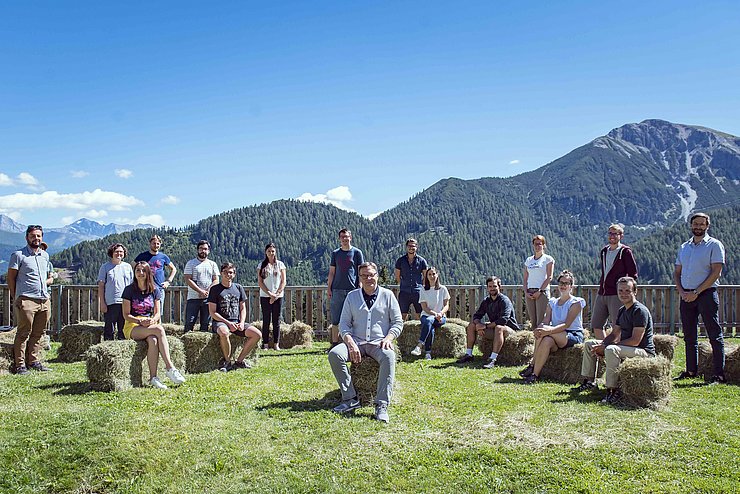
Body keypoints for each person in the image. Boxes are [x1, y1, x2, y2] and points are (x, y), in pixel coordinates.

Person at [328, 262, 403, 423]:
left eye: (371, 275)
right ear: (359, 278)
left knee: (389, 357)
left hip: (379, 343)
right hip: (356, 342)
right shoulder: (352, 296)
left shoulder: (388, 295)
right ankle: (350, 399)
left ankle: (381, 405)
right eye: (364, 276)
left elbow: (398, 322)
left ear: (377, 276)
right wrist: (350, 342)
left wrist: (388, 338)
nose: (369, 278)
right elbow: (343, 324)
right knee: (334, 355)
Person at [574, 277, 655, 404]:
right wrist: (603, 344)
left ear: (635, 291)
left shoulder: (640, 311)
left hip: (643, 351)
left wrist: (606, 347)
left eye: (627, 291)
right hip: (629, 348)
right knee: (590, 344)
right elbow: (614, 334)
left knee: (612, 349)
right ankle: (590, 381)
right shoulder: (622, 310)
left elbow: (635, 341)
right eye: (621, 291)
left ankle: (612, 390)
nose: (623, 294)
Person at [674, 212, 727, 383]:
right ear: (691, 225)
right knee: (689, 335)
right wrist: (682, 292)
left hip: (706, 294)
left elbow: (716, 271)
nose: (698, 227)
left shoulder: (714, 245)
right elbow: (677, 273)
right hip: (686, 295)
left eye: (701, 224)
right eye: (695, 224)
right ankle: (691, 371)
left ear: (707, 226)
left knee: (714, 334)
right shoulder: (684, 247)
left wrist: (696, 292)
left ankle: (719, 374)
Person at [122, 261, 186, 389]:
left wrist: (151, 320)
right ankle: (169, 367)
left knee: (153, 340)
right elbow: (126, 314)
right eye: (138, 270)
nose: (140, 273)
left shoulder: (154, 290)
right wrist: (140, 321)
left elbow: (157, 313)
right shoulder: (129, 290)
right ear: (134, 273)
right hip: (133, 325)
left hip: (149, 324)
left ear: (148, 273)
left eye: (143, 271)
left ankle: (153, 378)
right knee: (159, 329)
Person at [519, 270, 585, 384]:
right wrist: (540, 328)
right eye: (561, 283)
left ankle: (532, 364)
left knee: (545, 333)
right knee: (546, 340)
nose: (563, 286)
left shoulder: (576, 302)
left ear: (571, 286)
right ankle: (535, 374)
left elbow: (566, 325)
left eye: (566, 283)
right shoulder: (553, 302)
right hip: (554, 335)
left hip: (572, 334)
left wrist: (546, 331)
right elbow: (546, 320)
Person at [7, 225, 55, 374]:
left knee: (38, 333)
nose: (36, 238)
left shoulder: (45, 256)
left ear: (42, 237)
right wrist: (17, 297)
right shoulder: (18, 255)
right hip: (26, 299)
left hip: (44, 299)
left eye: (39, 236)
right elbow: (11, 278)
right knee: (23, 333)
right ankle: (19, 365)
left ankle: (33, 361)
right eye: (33, 236)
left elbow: (48, 275)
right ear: (27, 237)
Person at [208, 262, 261, 372]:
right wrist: (228, 323)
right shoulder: (215, 289)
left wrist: (241, 322)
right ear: (221, 274)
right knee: (224, 333)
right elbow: (213, 312)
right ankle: (227, 362)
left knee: (257, 334)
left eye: (231, 272)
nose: (228, 274)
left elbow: (243, 308)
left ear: (234, 274)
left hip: (237, 322)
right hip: (220, 322)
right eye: (225, 272)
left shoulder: (238, 288)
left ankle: (239, 361)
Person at [456, 276, 520, 368]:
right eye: (490, 286)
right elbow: (477, 315)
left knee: (499, 327)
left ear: (499, 287)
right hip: (494, 329)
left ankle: (492, 359)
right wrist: (478, 325)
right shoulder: (486, 301)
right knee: (471, 325)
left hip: (510, 331)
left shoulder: (504, 301)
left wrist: (485, 327)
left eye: (494, 286)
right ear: (487, 288)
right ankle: (469, 355)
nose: (492, 288)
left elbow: (503, 320)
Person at [591, 224, 638, 340]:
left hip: (616, 294)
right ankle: (602, 351)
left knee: (617, 326)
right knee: (596, 325)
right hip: (602, 292)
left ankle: (616, 352)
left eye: (615, 233)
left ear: (621, 236)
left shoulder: (625, 252)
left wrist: (625, 289)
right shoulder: (604, 251)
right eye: (610, 233)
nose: (612, 236)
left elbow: (633, 274)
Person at [327, 228, 364, 348]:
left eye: (346, 236)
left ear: (350, 237)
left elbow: (361, 272)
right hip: (337, 289)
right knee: (336, 318)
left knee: (353, 318)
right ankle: (334, 344)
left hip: (352, 290)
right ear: (339, 239)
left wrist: (360, 286)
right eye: (342, 237)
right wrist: (329, 288)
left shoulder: (357, 253)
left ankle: (351, 344)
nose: (344, 239)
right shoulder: (335, 253)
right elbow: (332, 272)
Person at [410, 267, 449, 360]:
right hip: (426, 315)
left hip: (441, 317)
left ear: (437, 275)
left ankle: (419, 345)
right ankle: (428, 353)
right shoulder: (423, 290)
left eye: (433, 274)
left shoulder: (443, 289)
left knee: (429, 321)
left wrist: (440, 313)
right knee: (429, 323)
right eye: (429, 274)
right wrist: (435, 314)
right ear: (426, 276)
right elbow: (424, 307)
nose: (432, 276)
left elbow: (446, 305)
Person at [97, 243, 134, 340]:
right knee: (109, 330)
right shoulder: (105, 267)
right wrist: (102, 303)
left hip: (125, 302)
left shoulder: (128, 267)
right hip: (110, 303)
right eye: (116, 251)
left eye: (121, 252)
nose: (119, 254)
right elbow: (101, 286)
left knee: (123, 330)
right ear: (112, 253)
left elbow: (131, 285)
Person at [183, 240, 219, 332]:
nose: (203, 251)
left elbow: (216, 280)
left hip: (208, 299)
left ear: (209, 251)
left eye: (205, 249)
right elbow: (188, 279)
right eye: (201, 249)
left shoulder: (213, 264)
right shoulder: (190, 263)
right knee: (189, 323)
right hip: (193, 298)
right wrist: (200, 291)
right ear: (197, 250)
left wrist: (207, 292)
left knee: (205, 324)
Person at [257, 243, 286, 350]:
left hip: (278, 296)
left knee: (276, 320)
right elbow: (260, 282)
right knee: (266, 320)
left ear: (275, 252)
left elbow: (283, 281)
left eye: (273, 251)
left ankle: (276, 344)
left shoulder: (280, 265)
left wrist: (277, 294)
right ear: (266, 252)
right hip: (265, 295)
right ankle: (265, 344)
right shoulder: (261, 265)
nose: (271, 253)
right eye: (269, 251)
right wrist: (270, 294)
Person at [522, 235, 554, 329]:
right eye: (535, 244)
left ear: (544, 245)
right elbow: (525, 278)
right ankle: (535, 342)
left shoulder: (548, 259)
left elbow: (549, 277)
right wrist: (526, 292)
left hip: (542, 292)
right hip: (530, 292)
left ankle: (543, 342)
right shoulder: (529, 260)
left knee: (541, 320)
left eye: (539, 244)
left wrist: (540, 291)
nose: (537, 246)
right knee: (533, 321)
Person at [135, 235, 177, 302]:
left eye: (158, 243)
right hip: (145, 288)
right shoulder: (142, 256)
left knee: (159, 311)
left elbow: (173, 269)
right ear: (150, 244)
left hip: (159, 288)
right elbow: (132, 266)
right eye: (154, 243)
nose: (156, 245)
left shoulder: (163, 257)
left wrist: (168, 282)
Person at [394, 238, 428, 321]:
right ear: (406, 247)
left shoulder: (422, 261)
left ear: (416, 247)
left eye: (413, 246)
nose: (411, 248)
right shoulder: (400, 261)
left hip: (418, 292)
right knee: (402, 315)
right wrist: (403, 284)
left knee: (420, 314)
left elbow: (425, 275)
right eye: (409, 246)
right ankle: (401, 333)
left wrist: (421, 286)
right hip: (404, 292)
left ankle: (420, 332)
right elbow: (397, 276)